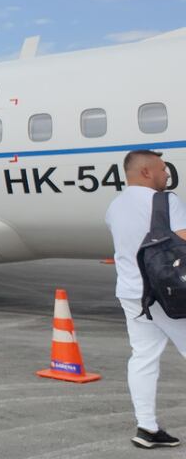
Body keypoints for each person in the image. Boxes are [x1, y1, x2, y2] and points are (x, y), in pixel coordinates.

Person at [106, 149, 186, 449]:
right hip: (168, 292)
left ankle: (147, 428)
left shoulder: (114, 206)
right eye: (163, 169)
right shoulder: (165, 201)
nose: (167, 174)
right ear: (145, 172)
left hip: (131, 293)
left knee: (143, 357)